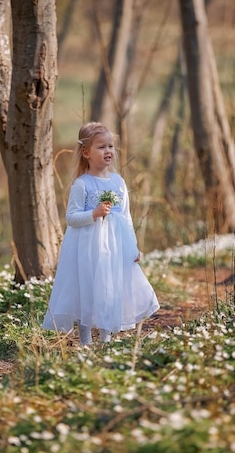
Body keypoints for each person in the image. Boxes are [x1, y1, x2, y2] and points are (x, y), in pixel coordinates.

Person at [43, 122, 159, 346]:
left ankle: (106, 339)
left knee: (111, 287)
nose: (108, 151)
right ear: (86, 153)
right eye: (101, 147)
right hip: (88, 247)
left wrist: (133, 248)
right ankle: (85, 340)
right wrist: (94, 214)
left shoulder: (118, 182)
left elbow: (126, 217)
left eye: (111, 146)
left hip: (115, 247)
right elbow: (71, 217)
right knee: (86, 288)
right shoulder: (82, 184)